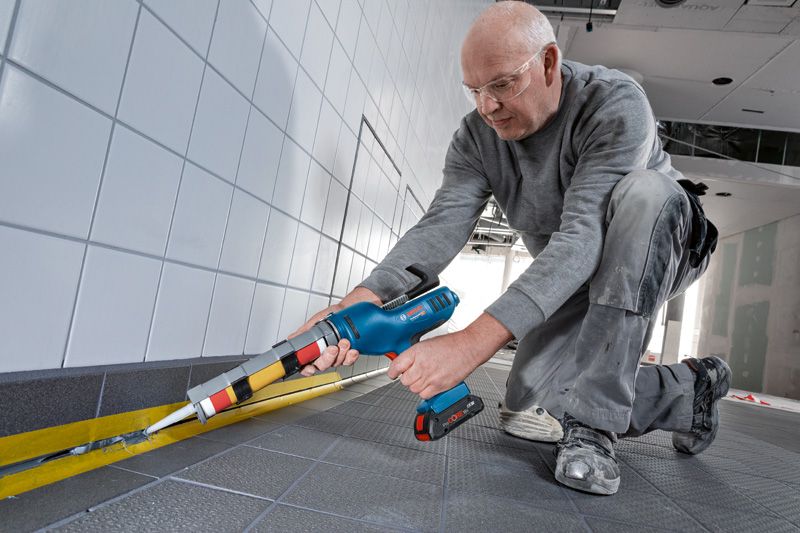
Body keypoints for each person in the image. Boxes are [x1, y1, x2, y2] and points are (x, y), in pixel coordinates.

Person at [291, 1, 729, 496]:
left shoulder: (614, 105)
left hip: (660, 245)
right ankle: (692, 392)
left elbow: (586, 235)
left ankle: (593, 430)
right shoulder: (477, 137)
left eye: (501, 85)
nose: (487, 106)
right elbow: (441, 224)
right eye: (475, 90)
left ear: (547, 63)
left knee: (643, 193)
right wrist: (361, 300)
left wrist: (470, 343)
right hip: (579, 272)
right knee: (529, 407)